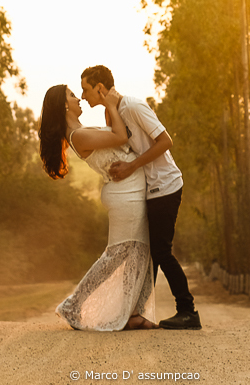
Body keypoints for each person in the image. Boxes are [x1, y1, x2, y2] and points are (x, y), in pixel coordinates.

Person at [80, 65, 201, 330]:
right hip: (150, 189)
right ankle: (135, 313)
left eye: (86, 89)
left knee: (161, 251)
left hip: (166, 185)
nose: (82, 95)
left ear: (100, 88)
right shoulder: (113, 114)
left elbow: (166, 141)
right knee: (150, 255)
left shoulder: (133, 106)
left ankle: (188, 311)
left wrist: (131, 168)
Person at [38, 83, 157, 331]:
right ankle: (73, 304)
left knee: (135, 252)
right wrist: (112, 105)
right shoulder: (78, 135)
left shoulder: (80, 130)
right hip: (124, 196)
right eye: (73, 95)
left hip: (128, 192)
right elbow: (121, 136)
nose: (79, 99)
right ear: (63, 105)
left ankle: (133, 311)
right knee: (117, 253)